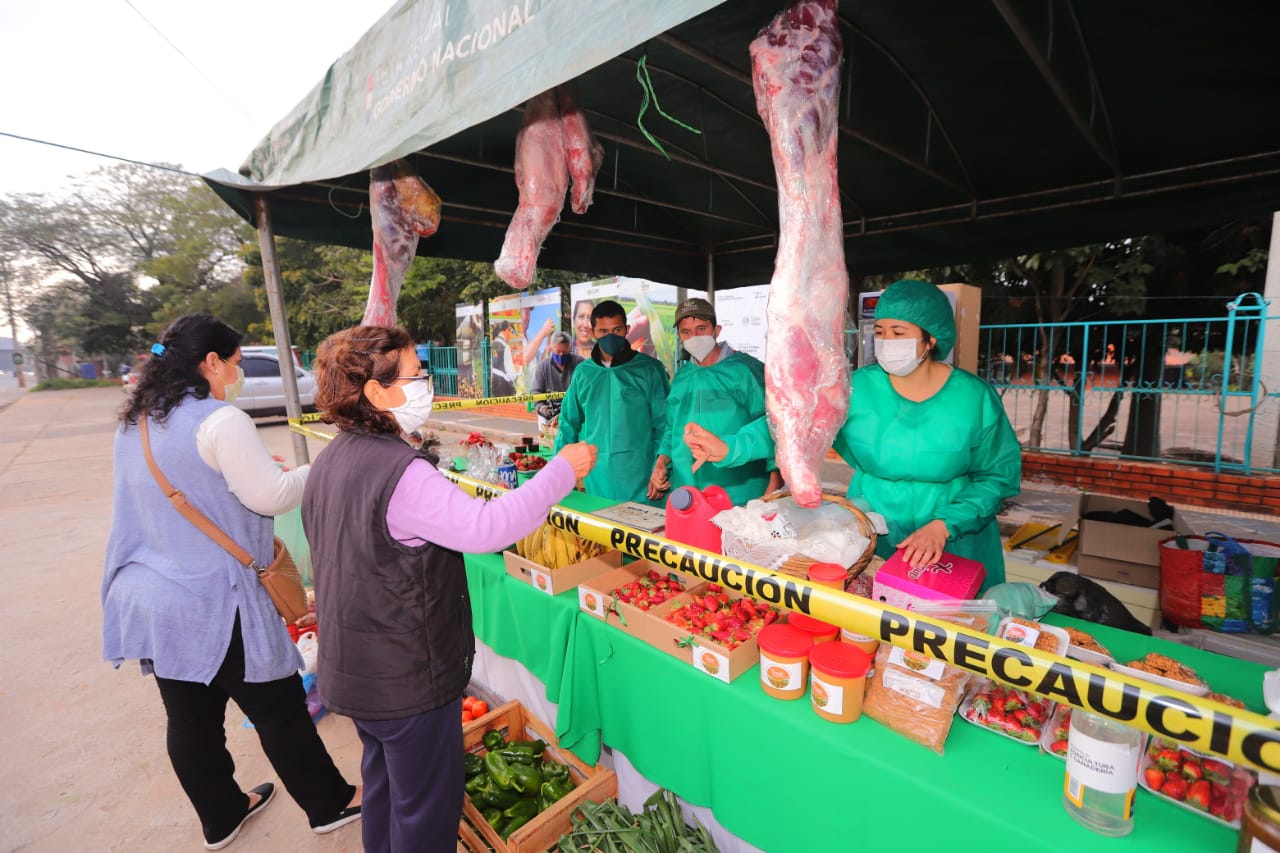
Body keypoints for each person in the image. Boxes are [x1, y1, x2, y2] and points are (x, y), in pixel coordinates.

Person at [302, 325, 596, 853]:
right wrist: (560, 473)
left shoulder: (332, 458)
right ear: (376, 392)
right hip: (405, 681)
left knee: (387, 795)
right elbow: (486, 529)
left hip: (355, 671)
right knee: (426, 816)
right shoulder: (400, 470)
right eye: (417, 376)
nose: (427, 386)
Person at [101, 314, 361, 850]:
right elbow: (272, 497)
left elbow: (181, 494)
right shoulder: (220, 420)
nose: (238, 374)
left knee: (191, 720)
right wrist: (330, 462)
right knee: (278, 709)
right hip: (218, 600)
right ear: (212, 362)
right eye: (237, 363)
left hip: (153, 599)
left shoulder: (137, 422)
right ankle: (329, 804)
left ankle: (222, 816)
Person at [685, 280, 1021, 588]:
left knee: (952, 630)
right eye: (881, 331)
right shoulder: (854, 389)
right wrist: (731, 447)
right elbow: (795, 424)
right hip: (874, 525)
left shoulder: (973, 398)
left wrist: (945, 525)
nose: (886, 342)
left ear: (930, 338)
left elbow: (997, 475)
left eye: (899, 332)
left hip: (955, 531)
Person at [648, 298, 780, 505]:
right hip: (688, 487)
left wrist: (775, 477)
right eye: (686, 332)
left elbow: (771, 426)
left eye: (701, 328)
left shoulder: (745, 371)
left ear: (716, 330)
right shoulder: (682, 377)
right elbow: (672, 428)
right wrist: (662, 462)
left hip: (739, 489)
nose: (694, 337)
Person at [555, 300, 669, 504]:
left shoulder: (649, 369)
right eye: (603, 331)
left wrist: (662, 465)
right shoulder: (584, 373)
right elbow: (568, 423)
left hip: (642, 476)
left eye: (617, 329)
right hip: (597, 477)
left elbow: (665, 424)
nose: (610, 336)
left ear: (627, 329)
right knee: (600, 529)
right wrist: (559, 471)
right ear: (593, 332)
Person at [530, 331, 582, 428]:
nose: (561, 355)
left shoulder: (580, 364)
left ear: (570, 348)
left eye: (564, 351)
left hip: (574, 411)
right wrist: (542, 408)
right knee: (546, 435)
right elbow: (537, 393)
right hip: (549, 412)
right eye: (558, 351)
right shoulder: (543, 367)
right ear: (552, 349)